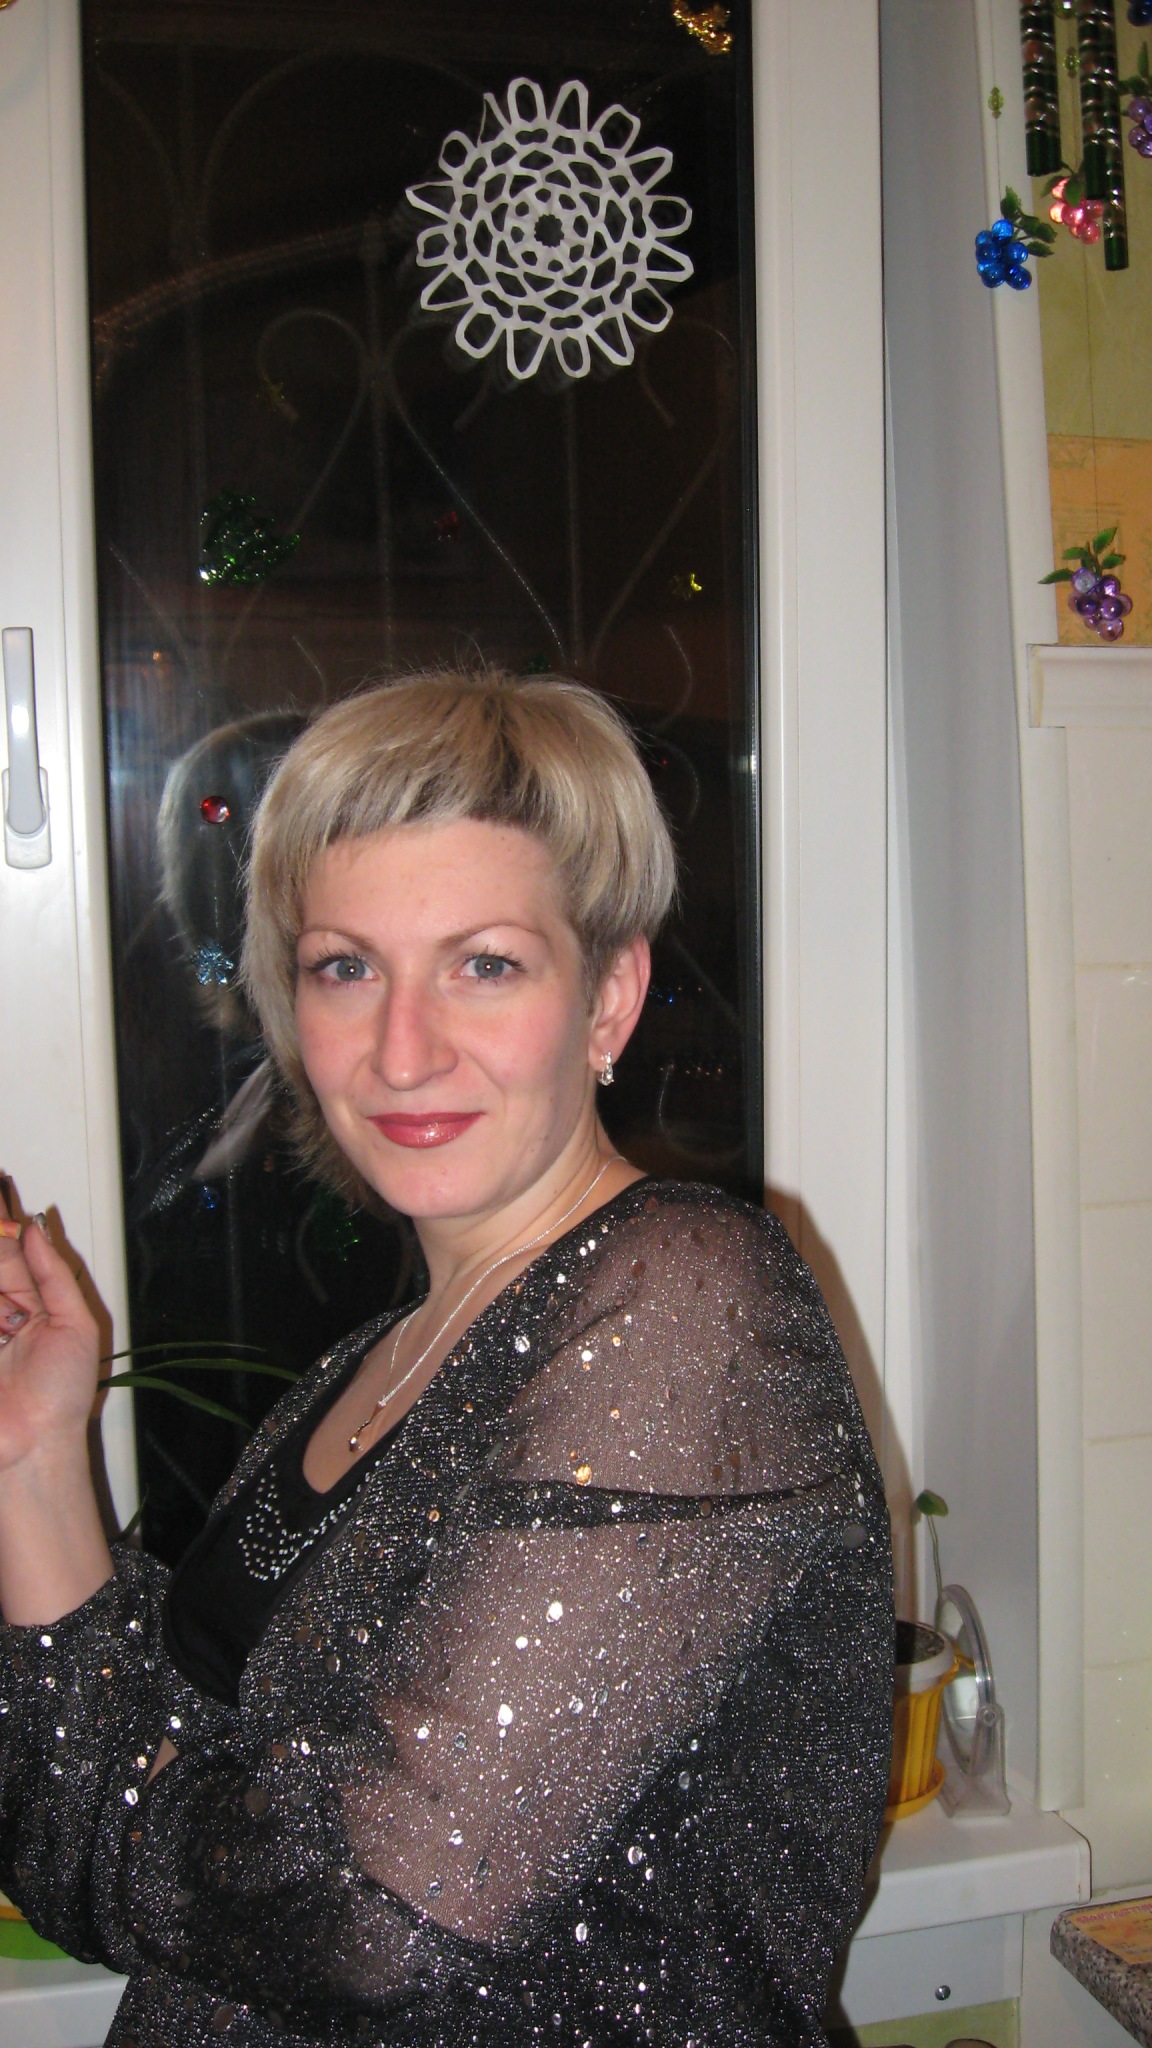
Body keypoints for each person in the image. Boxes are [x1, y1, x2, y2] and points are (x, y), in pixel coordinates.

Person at [0, 670, 892, 2048]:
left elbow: (366, 1929)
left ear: (609, 999)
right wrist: (33, 1456)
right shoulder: (366, 1367)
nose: (403, 1052)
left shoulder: (683, 1307)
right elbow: (96, 1798)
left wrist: (136, 1809)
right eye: (345, 968)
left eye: (485, 964)